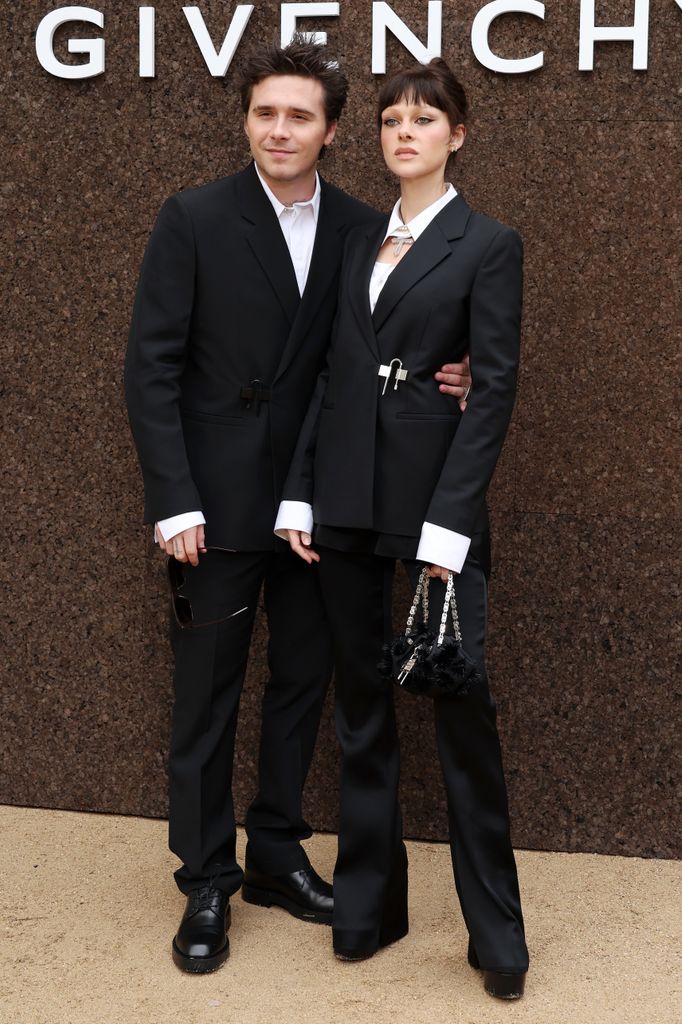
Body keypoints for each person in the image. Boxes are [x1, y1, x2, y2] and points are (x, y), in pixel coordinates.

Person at [124, 40, 471, 974]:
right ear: (247, 119)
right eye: (265, 113)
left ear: (330, 129)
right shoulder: (193, 217)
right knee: (206, 696)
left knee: (299, 689)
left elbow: (394, 334)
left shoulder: (364, 228)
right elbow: (149, 368)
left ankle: (277, 849)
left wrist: (460, 369)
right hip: (214, 509)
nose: (280, 130)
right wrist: (173, 501)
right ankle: (206, 877)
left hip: (321, 509)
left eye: (300, 116)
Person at [277, 58, 529, 1000]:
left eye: (425, 119)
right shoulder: (352, 243)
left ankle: (496, 931)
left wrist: (451, 525)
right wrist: (299, 491)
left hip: (436, 515)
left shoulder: (487, 242)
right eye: (390, 120)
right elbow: (332, 376)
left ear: (457, 135)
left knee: (463, 717)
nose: (405, 133)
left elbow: (493, 389)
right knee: (361, 714)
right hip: (342, 504)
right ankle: (369, 907)